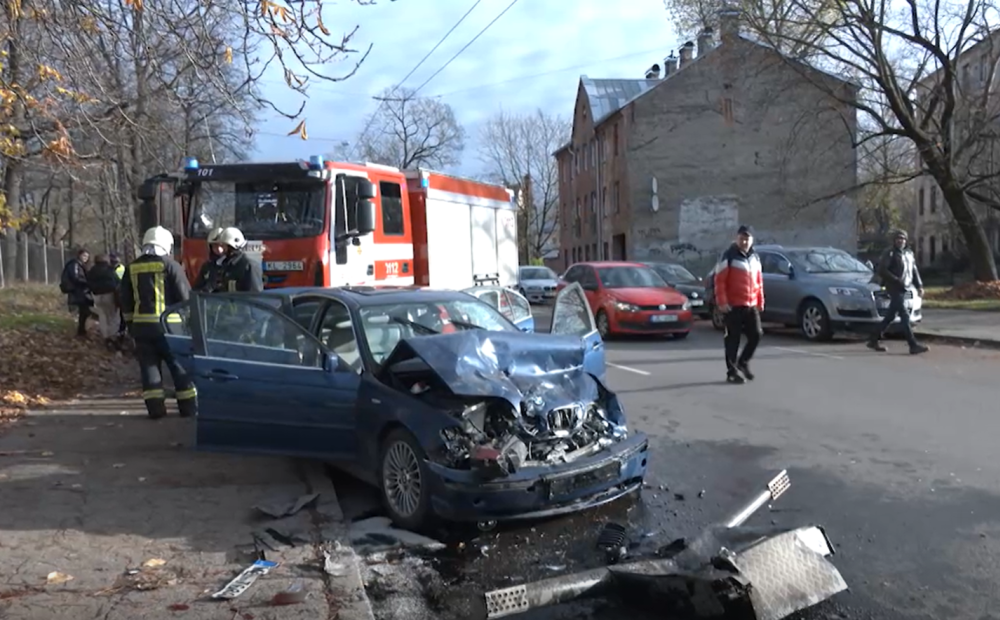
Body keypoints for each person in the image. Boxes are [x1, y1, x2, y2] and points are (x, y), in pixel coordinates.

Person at [120, 226, 198, 420]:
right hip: (170, 328)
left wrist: (131, 326)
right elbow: (185, 298)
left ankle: (155, 410)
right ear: (166, 245)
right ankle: (188, 408)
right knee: (178, 367)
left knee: (149, 368)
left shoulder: (131, 267)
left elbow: (125, 301)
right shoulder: (171, 266)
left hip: (142, 328)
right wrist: (191, 326)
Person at [714, 225, 765, 384]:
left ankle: (743, 362)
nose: (744, 241)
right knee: (732, 340)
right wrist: (722, 302)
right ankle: (731, 372)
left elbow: (759, 281)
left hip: (750, 305)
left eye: (747, 238)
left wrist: (760, 301)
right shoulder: (729, 255)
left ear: (752, 240)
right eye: (741, 238)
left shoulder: (755, 257)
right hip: (733, 306)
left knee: (756, 334)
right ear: (737, 238)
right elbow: (719, 281)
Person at [866, 230, 929, 354]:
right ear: (894, 240)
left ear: (906, 240)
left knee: (890, 316)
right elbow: (882, 270)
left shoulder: (909, 253)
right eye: (898, 238)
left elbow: (914, 271)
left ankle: (873, 339)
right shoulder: (889, 253)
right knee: (905, 315)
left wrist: (919, 286)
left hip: (905, 286)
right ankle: (913, 345)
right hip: (893, 287)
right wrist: (896, 280)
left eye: (903, 238)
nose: (901, 241)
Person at [86, 254, 123, 351]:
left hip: (97, 295)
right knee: (113, 316)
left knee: (102, 316)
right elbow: (116, 282)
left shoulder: (92, 271)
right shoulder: (109, 270)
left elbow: (88, 282)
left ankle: (106, 336)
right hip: (109, 294)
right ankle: (113, 336)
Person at [217, 226, 264, 293]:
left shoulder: (250, 266)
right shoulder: (225, 264)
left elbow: (254, 294)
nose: (221, 249)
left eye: (224, 245)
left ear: (232, 246)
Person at [60, 248, 94, 338]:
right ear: (79, 255)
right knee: (83, 310)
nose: (85, 258)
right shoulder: (74, 264)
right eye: (84, 256)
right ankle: (80, 331)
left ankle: (82, 330)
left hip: (80, 290)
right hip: (77, 290)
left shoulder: (81, 265)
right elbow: (75, 277)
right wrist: (86, 282)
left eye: (87, 256)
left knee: (85, 311)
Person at [193, 227, 226, 292]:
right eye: (215, 245)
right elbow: (197, 287)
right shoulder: (207, 267)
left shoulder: (233, 266)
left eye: (222, 245)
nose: (219, 249)